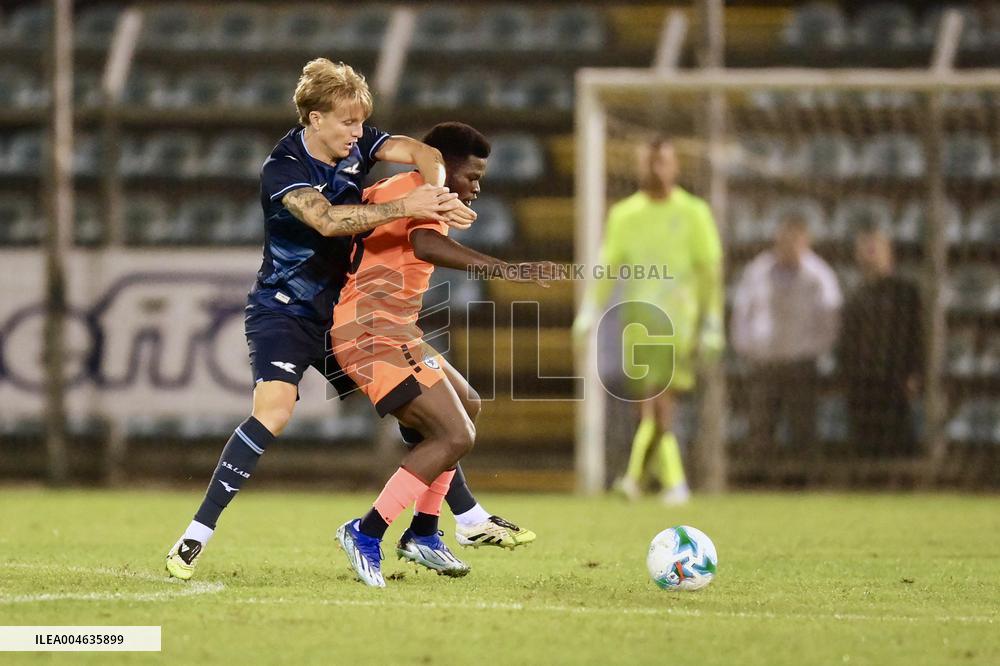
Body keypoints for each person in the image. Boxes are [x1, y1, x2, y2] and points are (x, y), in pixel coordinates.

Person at [165, 59, 479, 581]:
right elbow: (328, 221)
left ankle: (442, 525)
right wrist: (407, 205)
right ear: (315, 119)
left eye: (362, 122)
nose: (359, 133)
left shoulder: (358, 142)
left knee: (419, 408)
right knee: (275, 411)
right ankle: (197, 532)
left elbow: (424, 153)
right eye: (348, 122)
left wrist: (439, 194)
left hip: (343, 318)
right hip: (285, 310)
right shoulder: (284, 169)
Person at [332, 122, 551, 587]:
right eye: (471, 176)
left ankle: (425, 532)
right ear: (443, 166)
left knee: (467, 404)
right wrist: (505, 269)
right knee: (455, 434)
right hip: (371, 332)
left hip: (392, 329)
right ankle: (366, 531)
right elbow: (425, 243)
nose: (477, 187)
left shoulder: (399, 189)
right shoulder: (421, 192)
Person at [573, 136, 724, 505]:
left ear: (676, 167)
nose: (657, 169)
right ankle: (643, 480)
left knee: (658, 400)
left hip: (679, 322)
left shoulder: (694, 213)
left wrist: (712, 320)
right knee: (649, 405)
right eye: (651, 161)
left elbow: (709, 272)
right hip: (638, 321)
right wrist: (590, 310)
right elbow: (608, 268)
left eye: (664, 161)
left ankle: (662, 481)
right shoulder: (625, 215)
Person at [730, 213, 842, 457]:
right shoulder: (758, 270)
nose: (789, 246)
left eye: (795, 241)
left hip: (801, 363)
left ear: (805, 242)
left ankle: (805, 475)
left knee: (803, 429)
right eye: (784, 240)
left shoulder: (819, 275)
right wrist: (748, 348)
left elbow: (830, 321)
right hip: (765, 362)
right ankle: (759, 475)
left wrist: (813, 350)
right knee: (760, 427)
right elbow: (741, 312)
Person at [839, 225, 922, 457]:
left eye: (873, 250)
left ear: (888, 254)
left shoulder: (905, 292)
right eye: (863, 251)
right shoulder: (855, 294)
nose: (868, 256)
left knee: (898, 441)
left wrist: (915, 372)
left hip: (895, 378)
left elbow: (917, 333)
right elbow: (847, 339)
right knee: (864, 444)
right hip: (862, 381)